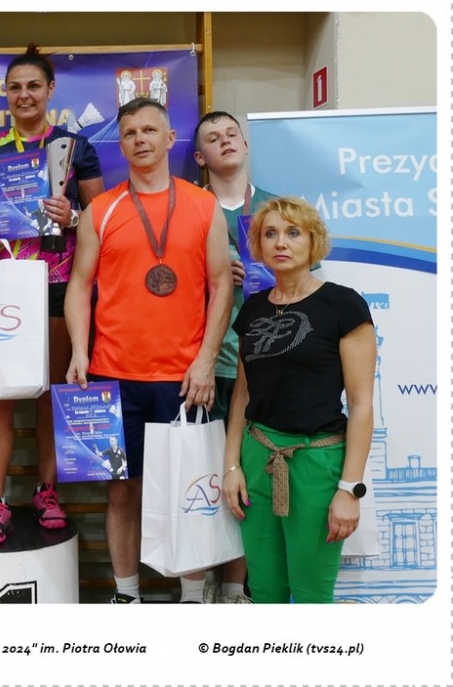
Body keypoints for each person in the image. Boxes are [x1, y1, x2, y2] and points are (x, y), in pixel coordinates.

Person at [65, 98, 233, 603]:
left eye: (149, 130)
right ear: (121, 145)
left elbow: (221, 285)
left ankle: (191, 597)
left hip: (185, 378)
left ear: (169, 138)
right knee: (121, 491)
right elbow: (79, 285)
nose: (139, 139)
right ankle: (127, 595)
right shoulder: (101, 209)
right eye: (130, 133)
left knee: (190, 489)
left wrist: (205, 360)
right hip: (114, 375)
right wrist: (78, 351)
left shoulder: (204, 206)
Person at [0, 44, 104, 546]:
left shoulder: (75, 147)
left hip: (58, 284)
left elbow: (100, 219)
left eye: (33, 86)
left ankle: (46, 491)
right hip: (3, 286)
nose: (24, 95)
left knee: (52, 391)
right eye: (15, 87)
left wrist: (72, 217)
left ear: (50, 90)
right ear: (5, 94)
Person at [222, 197, 375, 603]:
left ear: (313, 241)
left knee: (311, 597)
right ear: (258, 245)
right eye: (270, 233)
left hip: (317, 464)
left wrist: (349, 489)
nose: (281, 242)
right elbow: (243, 394)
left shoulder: (343, 305)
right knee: (265, 592)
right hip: (257, 459)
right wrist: (232, 465)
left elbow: (361, 404)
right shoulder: (253, 309)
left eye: (293, 233)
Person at [192, 110, 277, 604]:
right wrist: (214, 272)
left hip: (263, 365)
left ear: (245, 144)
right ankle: (201, 583)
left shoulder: (276, 209)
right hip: (204, 365)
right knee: (202, 476)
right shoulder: (189, 208)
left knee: (248, 475)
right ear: (200, 157)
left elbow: (308, 281)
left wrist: (270, 268)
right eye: (213, 138)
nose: (225, 142)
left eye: (231, 134)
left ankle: (233, 588)